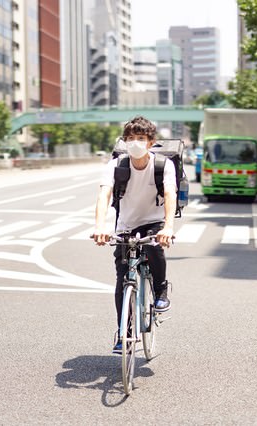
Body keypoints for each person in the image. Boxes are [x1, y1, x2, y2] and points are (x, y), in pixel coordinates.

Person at [92, 116, 177, 353]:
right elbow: (103, 195)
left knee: (154, 247)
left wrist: (167, 228)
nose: (135, 143)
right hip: (125, 225)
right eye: (130, 139)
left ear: (151, 142)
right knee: (122, 279)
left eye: (141, 138)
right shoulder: (116, 165)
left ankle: (160, 289)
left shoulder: (163, 165)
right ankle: (124, 333)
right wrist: (100, 226)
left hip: (153, 221)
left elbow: (170, 195)